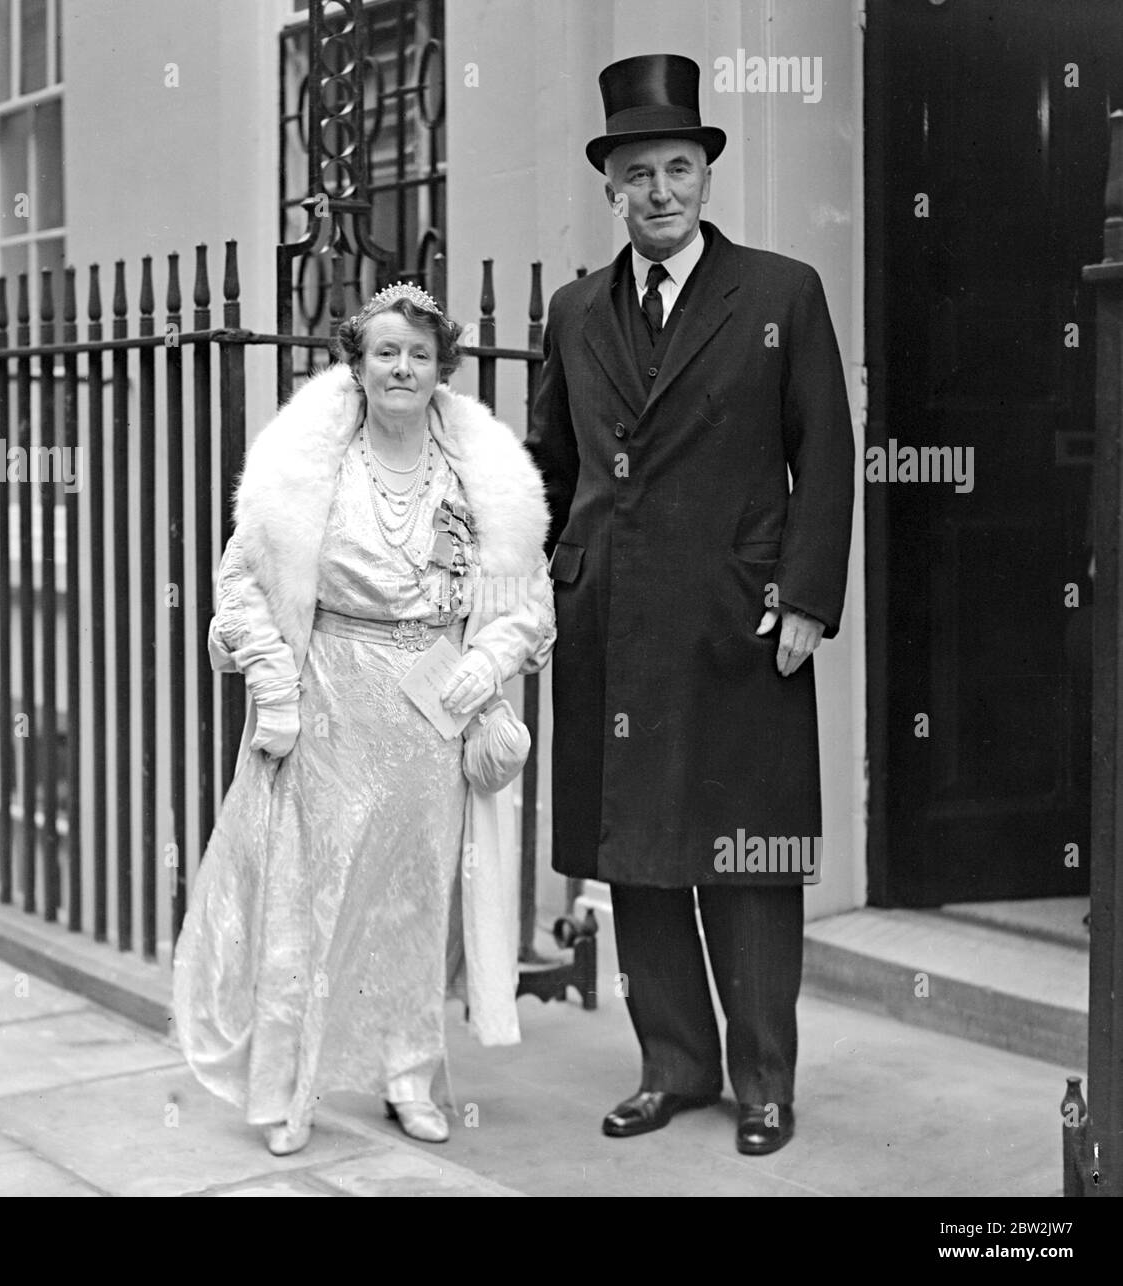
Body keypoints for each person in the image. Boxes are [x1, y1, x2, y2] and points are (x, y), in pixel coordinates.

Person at [526, 54, 854, 1156]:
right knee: (638, 855)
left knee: (747, 857)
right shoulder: (574, 310)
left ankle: (763, 1079)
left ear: (703, 175)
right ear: (609, 188)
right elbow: (550, 465)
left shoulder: (779, 292)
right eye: (636, 172)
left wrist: (805, 596)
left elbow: (827, 451)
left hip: (740, 621)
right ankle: (673, 1063)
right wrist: (534, 583)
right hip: (611, 623)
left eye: (677, 167)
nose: (659, 190)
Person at [172, 283, 555, 1157]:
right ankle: (292, 1088)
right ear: (357, 362)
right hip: (330, 701)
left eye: (420, 355)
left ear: (441, 370)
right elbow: (241, 582)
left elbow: (521, 597)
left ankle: (409, 1077)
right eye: (386, 352)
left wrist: (487, 662)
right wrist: (274, 687)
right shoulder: (308, 469)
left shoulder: (472, 474)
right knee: (313, 900)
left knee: (416, 902)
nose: (403, 368)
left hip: (431, 709)